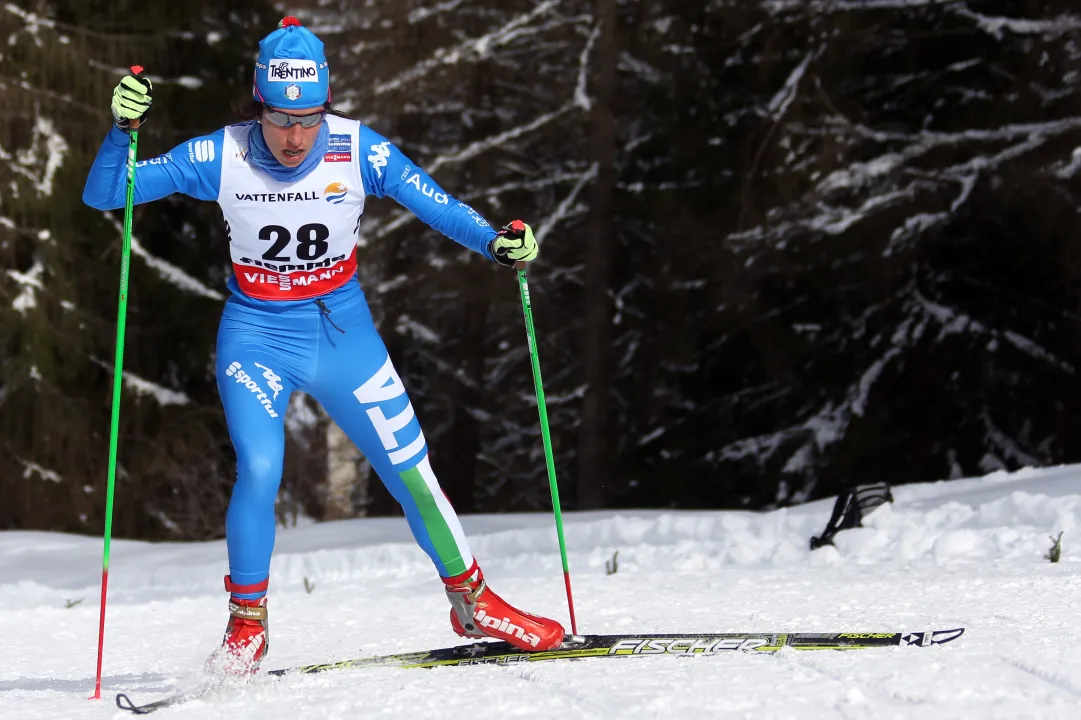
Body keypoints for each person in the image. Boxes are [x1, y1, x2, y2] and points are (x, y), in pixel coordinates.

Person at [83, 16, 565, 673]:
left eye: (308, 118)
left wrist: (494, 241)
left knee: (409, 468)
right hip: (255, 334)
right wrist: (123, 131)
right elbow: (109, 192)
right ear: (259, 106)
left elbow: (438, 204)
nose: (294, 135)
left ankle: (471, 600)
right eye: (280, 118)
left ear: (325, 108)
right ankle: (246, 626)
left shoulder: (358, 149)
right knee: (259, 468)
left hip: (341, 331)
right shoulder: (220, 154)